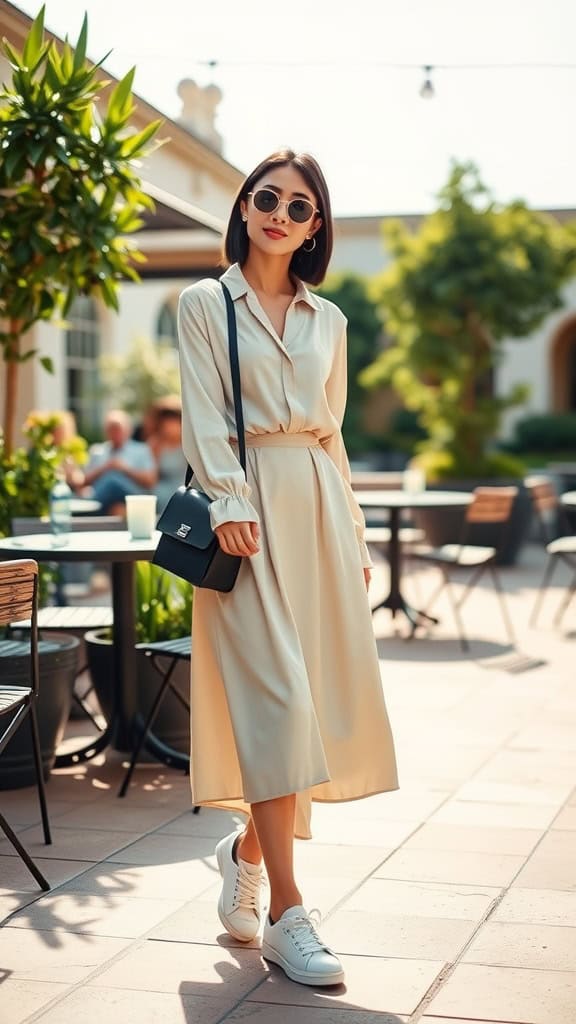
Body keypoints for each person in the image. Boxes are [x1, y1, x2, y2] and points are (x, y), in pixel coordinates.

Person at [178, 149, 398, 988]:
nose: (279, 213)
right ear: (242, 208)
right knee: (274, 702)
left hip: (315, 510)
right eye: (265, 198)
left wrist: (353, 525)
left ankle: (244, 854)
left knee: (305, 708)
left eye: (299, 206)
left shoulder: (329, 320)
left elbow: (332, 432)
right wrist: (231, 501)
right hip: (245, 516)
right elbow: (204, 407)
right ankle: (286, 912)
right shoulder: (205, 303)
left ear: (315, 227)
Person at [81, 409, 157, 515]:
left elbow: (150, 481)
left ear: (128, 430)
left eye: (118, 429)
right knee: (109, 483)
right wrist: (105, 468)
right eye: (111, 429)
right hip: (103, 497)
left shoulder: (141, 450)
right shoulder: (97, 451)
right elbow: (84, 481)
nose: (115, 433)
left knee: (112, 480)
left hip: (133, 494)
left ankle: (84, 512)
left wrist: (124, 469)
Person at [146, 398, 188, 514]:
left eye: (172, 422)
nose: (168, 427)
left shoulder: (188, 443)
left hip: (184, 487)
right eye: (165, 423)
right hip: (161, 488)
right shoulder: (155, 444)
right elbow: (152, 477)